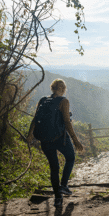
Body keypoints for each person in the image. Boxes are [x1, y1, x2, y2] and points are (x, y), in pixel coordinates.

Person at [26, 78, 83, 207]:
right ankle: (63, 185)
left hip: (45, 140)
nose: (64, 91)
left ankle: (58, 198)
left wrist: (30, 135)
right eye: (64, 89)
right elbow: (67, 123)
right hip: (60, 138)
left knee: (54, 168)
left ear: (52, 88)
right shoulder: (64, 101)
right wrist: (75, 140)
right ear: (62, 89)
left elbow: (35, 118)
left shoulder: (43, 100)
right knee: (70, 157)